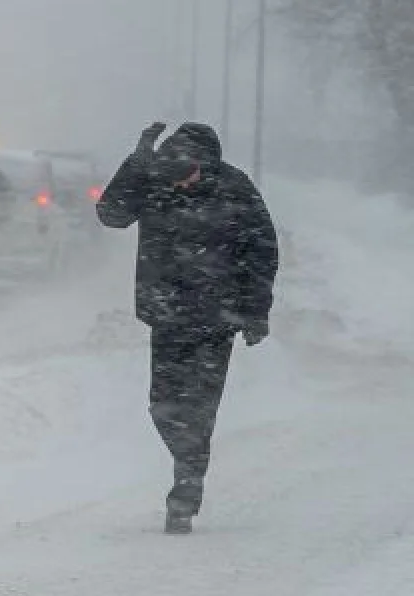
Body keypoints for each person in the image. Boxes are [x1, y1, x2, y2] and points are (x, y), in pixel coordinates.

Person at [96, 122, 279, 535]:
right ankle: (188, 461)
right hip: (168, 315)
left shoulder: (235, 188)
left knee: (199, 405)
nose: (182, 183)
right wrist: (137, 163)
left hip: (219, 319)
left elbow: (262, 251)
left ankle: (187, 485)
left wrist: (256, 311)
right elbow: (111, 214)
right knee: (162, 404)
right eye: (175, 174)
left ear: (206, 163)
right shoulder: (155, 181)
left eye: (189, 173)